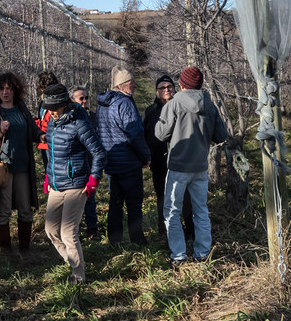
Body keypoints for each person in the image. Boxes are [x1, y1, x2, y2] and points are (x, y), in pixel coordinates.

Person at [154, 66, 230, 266]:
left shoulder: (175, 103)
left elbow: (160, 134)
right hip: (200, 167)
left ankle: (178, 255)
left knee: (172, 211)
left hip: (178, 166)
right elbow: (221, 136)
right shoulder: (209, 103)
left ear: (182, 84)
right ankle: (202, 253)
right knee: (201, 210)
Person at [38, 83, 105, 284]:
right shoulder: (52, 122)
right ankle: (74, 262)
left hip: (77, 183)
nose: (49, 111)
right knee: (51, 230)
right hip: (56, 184)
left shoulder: (80, 123)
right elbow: (51, 152)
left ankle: (78, 276)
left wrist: (93, 180)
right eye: (48, 107)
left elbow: (99, 152)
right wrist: (48, 177)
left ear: (63, 104)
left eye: (53, 107)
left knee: (68, 232)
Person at [0, 71, 40, 260]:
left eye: (9, 88)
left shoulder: (21, 108)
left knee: (25, 208)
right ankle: (5, 249)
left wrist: (40, 136)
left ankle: (25, 248)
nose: (5, 92)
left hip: (23, 166)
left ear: (15, 90)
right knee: (2, 210)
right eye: (2, 88)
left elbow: (32, 129)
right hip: (1, 167)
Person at [96, 67, 150, 247]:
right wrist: (145, 157)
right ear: (122, 86)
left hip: (111, 162)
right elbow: (135, 133)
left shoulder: (103, 104)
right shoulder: (125, 104)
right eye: (131, 83)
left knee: (115, 202)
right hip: (128, 162)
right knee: (134, 204)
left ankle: (115, 240)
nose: (134, 85)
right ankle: (137, 240)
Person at [144, 74, 194, 248]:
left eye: (169, 87)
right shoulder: (151, 111)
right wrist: (148, 155)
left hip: (181, 161)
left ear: (175, 89)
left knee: (186, 197)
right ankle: (163, 230)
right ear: (157, 91)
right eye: (162, 88)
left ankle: (190, 230)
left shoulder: (183, 108)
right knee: (163, 197)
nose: (166, 90)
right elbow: (146, 134)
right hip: (159, 162)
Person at [71, 85, 98, 234]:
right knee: (73, 198)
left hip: (89, 161)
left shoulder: (92, 116)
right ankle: (74, 228)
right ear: (72, 100)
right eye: (81, 98)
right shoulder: (68, 118)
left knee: (89, 196)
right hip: (74, 163)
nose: (84, 101)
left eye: (86, 98)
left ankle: (92, 228)